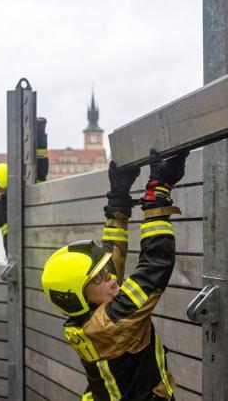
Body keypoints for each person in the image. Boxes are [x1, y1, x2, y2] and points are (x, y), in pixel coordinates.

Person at [41, 150, 186, 400]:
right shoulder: (112, 323)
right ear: (78, 297)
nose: (109, 277)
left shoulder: (90, 316)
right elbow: (154, 267)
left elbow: (111, 260)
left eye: (103, 272)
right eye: (98, 278)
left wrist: (118, 200)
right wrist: (157, 195)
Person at [0, 117, 48, 266]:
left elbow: (41, 164)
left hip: (40, 254)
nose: (3, 193)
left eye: (3, 189)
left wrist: (40, 133)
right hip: (17, 261)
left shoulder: (31, 193)